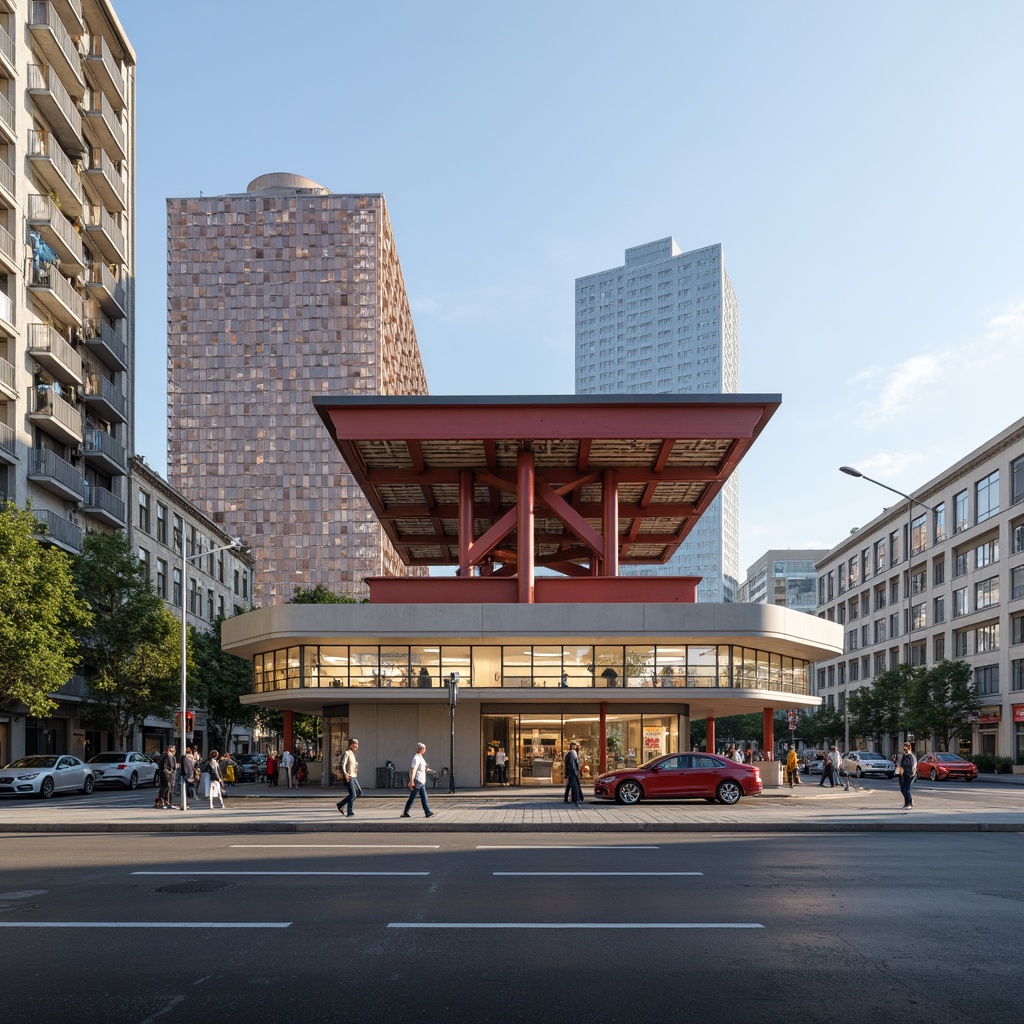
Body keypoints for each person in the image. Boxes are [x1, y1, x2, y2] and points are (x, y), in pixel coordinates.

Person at [401, 742, 434, 818]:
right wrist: (412, 781)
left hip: (421, 780)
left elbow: (422, 768)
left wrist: (427, 769)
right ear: (421, 749)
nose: (425, 750)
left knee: (417, 796)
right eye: (424, 748)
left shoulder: (421, 757)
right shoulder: (416, 758)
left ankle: (407, 812)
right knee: (419, 796)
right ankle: (427, 812)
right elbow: (413, 769)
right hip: (418, 780)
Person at [335, 738, 360, 817]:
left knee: (358, 792)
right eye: (356, 744)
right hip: (349, 776)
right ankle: (349, 811)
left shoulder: (352, 754)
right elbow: (343, 764)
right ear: (352, 745)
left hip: (354, 776)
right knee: (353, 794)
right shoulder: (347, 753)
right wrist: (345, 773)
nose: (357, 746)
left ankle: (340, 804)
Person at [563, 741, 584, 805]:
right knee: (575, 786)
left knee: (569, 786)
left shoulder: (568, 753)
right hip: (573, 772)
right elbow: (575, 763)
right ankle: (576, 799)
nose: (577, 747)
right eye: (575, 745)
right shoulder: (573, 752)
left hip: (570, 771)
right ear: (572, 746)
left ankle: (566, 799)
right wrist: (577, 771)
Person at [156, 745, 176, 809]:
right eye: (172, 750)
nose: (173, 752)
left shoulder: (169, 756)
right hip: (167, 774)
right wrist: (170, 772)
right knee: (167, 787)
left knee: (167, 788)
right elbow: (167, 766)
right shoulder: (167, 756)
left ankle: (166, 802)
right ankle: (164, 802)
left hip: (167, 774)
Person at [897, 742, 917, 809]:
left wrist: (913, 771)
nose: (905, 748)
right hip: (903, 774)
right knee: (903, 789)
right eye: (904, 746)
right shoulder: (902, 756)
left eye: (907, 746)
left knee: (907, 789)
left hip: (910, 774)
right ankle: (906, 803)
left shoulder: (911, 756)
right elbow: (899, 764)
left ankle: (909, 804)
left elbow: (914, 764)